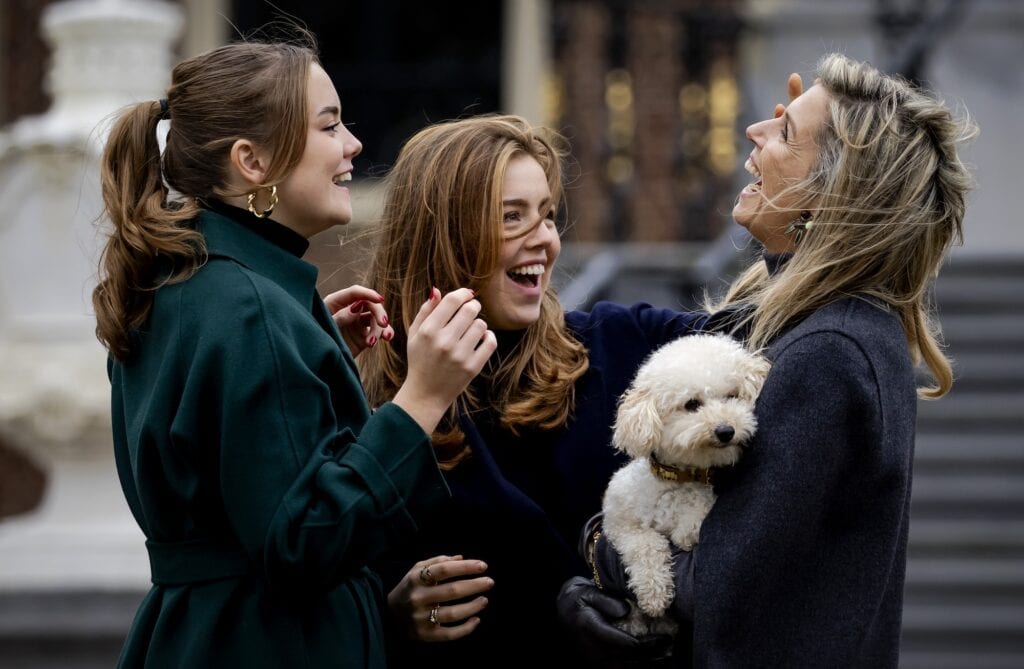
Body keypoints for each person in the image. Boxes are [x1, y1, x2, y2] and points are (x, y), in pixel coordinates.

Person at [558, 53, 977, 667]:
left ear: (829, 192)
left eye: (784, 133)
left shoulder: (828, 352)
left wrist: (603, 548)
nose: (754, 130)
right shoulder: (836, 328)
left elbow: (720, 586)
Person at [92, 36, 497, 668]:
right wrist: (424, 396)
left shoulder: (187, 280)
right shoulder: (251, 307)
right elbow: (303, 544)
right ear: (252, 162)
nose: (353, 145)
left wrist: (311, 351)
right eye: (330, 125)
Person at [350, 115, 708, 666]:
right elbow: (306, 568)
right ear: (445, 234)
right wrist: (385, 613)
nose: (544, 238)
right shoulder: (363, 399)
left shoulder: (617, 343)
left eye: (545, 214)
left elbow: (775, 334)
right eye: (512, 217)